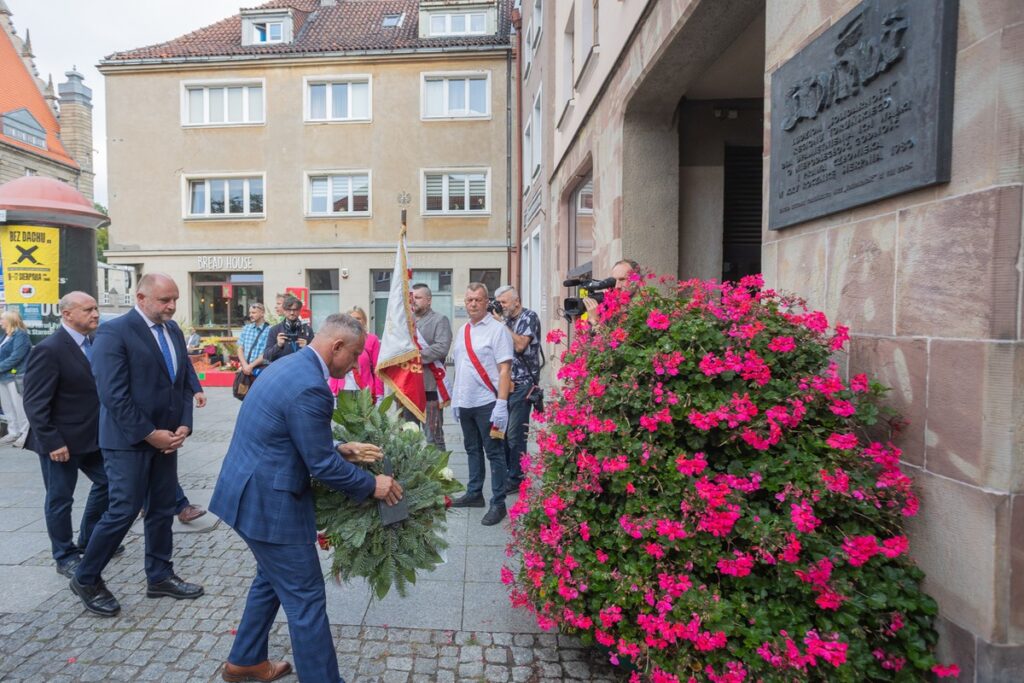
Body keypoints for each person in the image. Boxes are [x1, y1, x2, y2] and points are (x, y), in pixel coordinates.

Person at [210, 314, 403, 683]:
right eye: (356, 355)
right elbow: (321, 465)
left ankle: (245, 661)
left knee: (270, 578)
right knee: (306, 600)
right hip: (269, 505)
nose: (355, 364)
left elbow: (287, 433)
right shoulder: (311, 386)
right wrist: (372, 486)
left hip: (248, 491)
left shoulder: (291, 366)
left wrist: (340, 448)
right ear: (337, 347)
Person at [70, 273, 205, 618]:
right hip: (128, 441)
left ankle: (159, 576)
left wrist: (183, 424)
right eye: (164, 300)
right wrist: (149, 433)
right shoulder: (114, 332)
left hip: (167, 439)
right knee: (123, 510)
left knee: (162, 509)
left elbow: (181, 381)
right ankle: (86, 577)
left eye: (174, 299)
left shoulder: (172, 329)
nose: (172, 306)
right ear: (141, 297)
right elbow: (113, 395)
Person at [22, 292, 114, 578]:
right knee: (60, 499)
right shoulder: (49, 349)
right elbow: (34, 402)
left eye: (96, 308)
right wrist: (52, 441)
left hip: (92, 437)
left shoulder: (94, 343)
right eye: (88, 309)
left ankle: (88, 538)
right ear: (67, 314)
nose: (95, 314)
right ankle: (64, 554)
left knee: (110, 483)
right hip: (59, 443)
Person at [448, 283, 513, 526]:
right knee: (472, 449)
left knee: (494, 453)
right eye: (469, 300)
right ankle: (475, 493)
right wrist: (456, 399)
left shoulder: (497, 331)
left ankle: (498, 503)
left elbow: (504, 369)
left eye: (478, 300)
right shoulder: (462, 329)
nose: (473, 304)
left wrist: (501, 404)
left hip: (487, 402)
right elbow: (461, 367)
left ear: (487, 302)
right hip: (466, 402)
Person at [493, 286, 542, 494]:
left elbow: (521, 345)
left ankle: (517, 478)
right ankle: (509, 473)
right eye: (499, 302)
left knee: (515, 434)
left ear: (517, 301)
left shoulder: (529, 317)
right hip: (505, 384)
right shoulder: (505, 320)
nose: (501, 306)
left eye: (504, 302)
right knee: (501, 432)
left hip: (523, 384)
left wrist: (501, 324)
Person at [408, 283, 452, 449]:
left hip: (430, 387)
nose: (414, 301)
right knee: (407, 438)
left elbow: (442, 347)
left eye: (418, 297)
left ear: (429, 300)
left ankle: (438, 474)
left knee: (433, 437)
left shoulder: (439, 320)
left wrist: (414, 357)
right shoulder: (405, 321)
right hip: (408, 387)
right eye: (412, 298)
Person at [327, 306, 382, 401]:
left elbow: (377, 369)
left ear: (364, 321)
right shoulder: (340, 339)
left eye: (358, 318)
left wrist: (379, 394)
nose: (355, 321)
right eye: (352, 318)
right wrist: (333, 391)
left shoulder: (372, 339)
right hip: (343, 391)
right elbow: (335, 366)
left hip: (364, 392)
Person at [0, 309, 32, 447]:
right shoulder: (5, 335)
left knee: (19, 406)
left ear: (10, 320)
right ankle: (13, 432)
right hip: (3, 376)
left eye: (2, 319)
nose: (0, 321)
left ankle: (25, 434)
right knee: (8, 406)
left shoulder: (21, 335)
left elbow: (16, 356)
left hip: (15, 375)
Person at [264, 295, 313, 364]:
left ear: (299, 311)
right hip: (282, 371)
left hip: (301, 370)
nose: (292, 313)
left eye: (295, 310)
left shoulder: (308, 330)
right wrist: (278, 345)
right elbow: (266, 357)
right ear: (284, 311)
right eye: (289, 310)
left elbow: (315, 357)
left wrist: (307, 347)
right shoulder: (274, 330)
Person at [237, 302, 271, 379]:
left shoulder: (270, 330)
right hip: (245, 370)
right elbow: (240, 348)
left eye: (254, 313)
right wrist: (245, 365)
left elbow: (266, 353)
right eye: (250, 313)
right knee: (242, 391)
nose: (250, 315)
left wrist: (250, 366)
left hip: (261, 371)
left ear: (262, 313)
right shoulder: (246, 328)